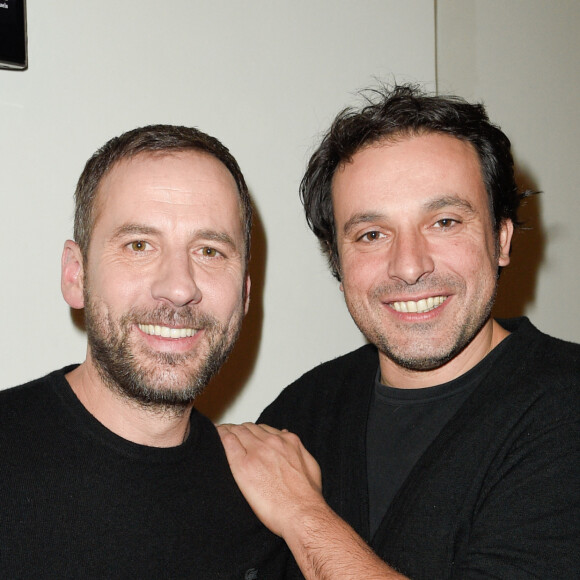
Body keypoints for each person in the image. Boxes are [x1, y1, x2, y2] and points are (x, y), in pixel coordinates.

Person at [219, 85, 580, 579]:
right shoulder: (303, 410)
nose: (408, 266)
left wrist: (303, 514)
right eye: (372, 235)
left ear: (501, 238)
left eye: (445, 221)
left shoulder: (565, 405)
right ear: (338, 264)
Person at [0, 125, 288, 578]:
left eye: (210, 251)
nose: (178, 287)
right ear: (76, 275)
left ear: (246, 295)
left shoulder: (268, 500)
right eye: (139, 245)